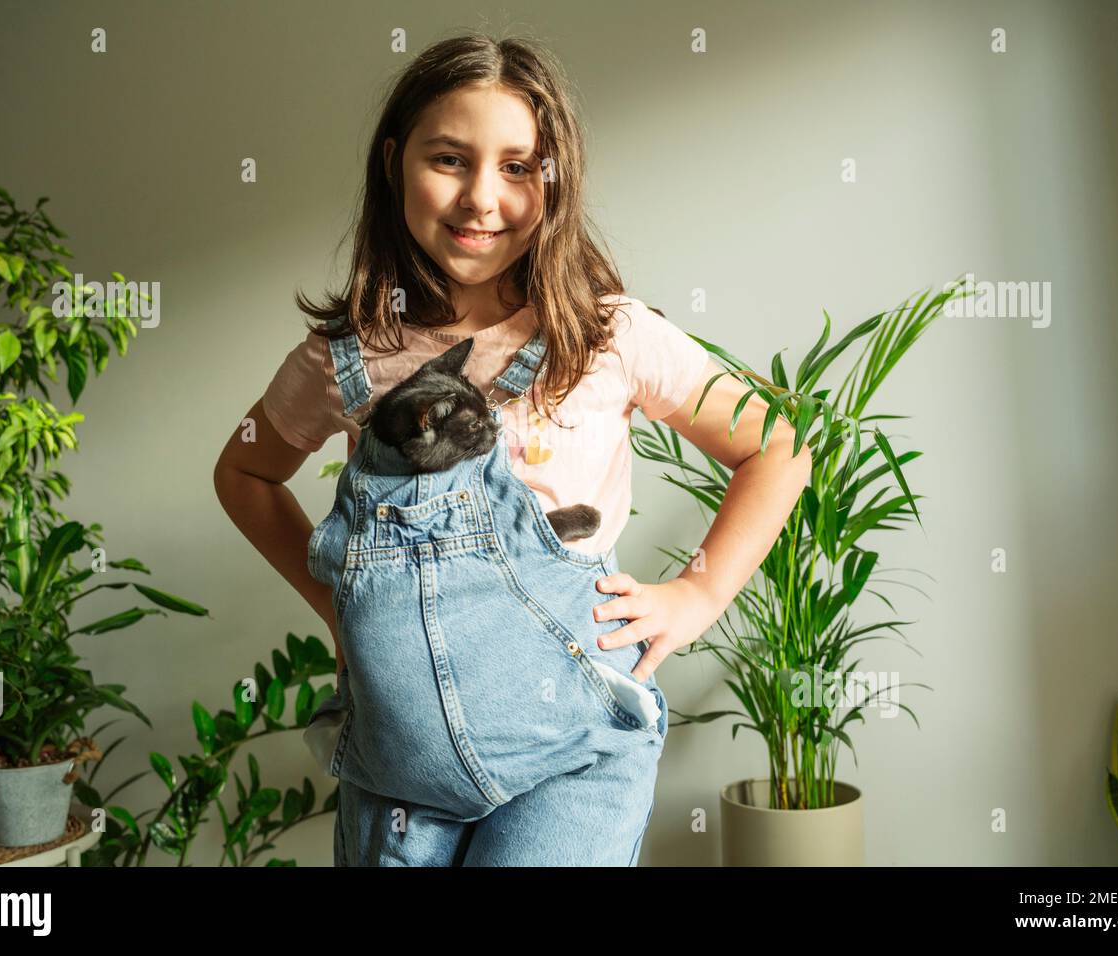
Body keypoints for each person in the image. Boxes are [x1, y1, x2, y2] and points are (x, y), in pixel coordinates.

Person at [213, 32, 812, 866]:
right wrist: (338, 609)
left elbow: (775, 446)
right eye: (449, 159)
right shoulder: (346, 357)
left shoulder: (609, 336)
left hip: (574, 753)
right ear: (395, 164)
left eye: (519, 167)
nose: (480, 197)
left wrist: (696, 595)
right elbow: (243, 471)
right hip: (400, 766)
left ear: (553, 181)